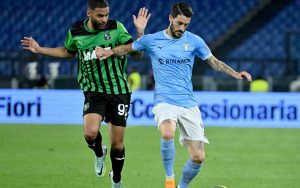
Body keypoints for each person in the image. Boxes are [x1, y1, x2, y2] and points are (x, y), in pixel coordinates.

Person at [96, 2, 252, 188]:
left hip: (188, 103)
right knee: (167, 133)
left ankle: (181, 187)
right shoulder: (152, 40)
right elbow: (128, 48)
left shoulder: (194, 41)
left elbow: (214, 61)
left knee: (198, 157)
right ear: (170, 18)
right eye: (179, 23)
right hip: (164, 101)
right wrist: (110, 51)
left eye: (186, 24)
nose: (182, 28)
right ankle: (169, 179)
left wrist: (235, 74)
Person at [21, 1, 150, 187]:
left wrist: (139, 33)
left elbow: (137, 54)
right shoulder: (76, 32)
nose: (104, 19)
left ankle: (116, 179)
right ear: (89, 13)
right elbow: (67, 52)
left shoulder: (116, 28)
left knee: (118, 144)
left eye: (106, 14)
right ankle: (99, 153)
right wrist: (40, 49)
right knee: (90, 133)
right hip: (93, 91)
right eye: (100, 15)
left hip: (118, 91)